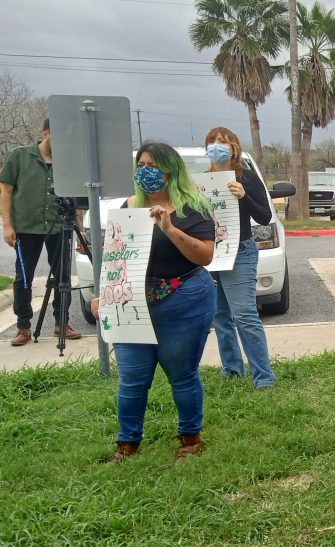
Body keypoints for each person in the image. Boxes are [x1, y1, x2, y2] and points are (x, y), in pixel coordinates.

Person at [95, 142, 217, 463]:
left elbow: (204, 255)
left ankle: (190, 439)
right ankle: (127, 444)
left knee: (182, 374)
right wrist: (105, 297)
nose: (146, 171)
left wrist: (169, 228)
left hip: (184, 300)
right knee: (132, 378)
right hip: (132, 304)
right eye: (142, 164)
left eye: (154, 165)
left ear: (170, 170)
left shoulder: (193, 207)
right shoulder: (126, 208)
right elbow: (115, 260)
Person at [203, 127, 276, 390]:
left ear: (234, 147)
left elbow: (264, 217)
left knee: (244, 314)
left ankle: (263, 376)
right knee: (220, 315)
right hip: (211, 254)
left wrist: (243, 196)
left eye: (222, 142)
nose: (217, 146)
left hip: (240, 252)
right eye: (212, 142)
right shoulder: (203, 181)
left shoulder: (247, 178)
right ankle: (232, 368)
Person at [0, 118, 81, 346]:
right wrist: (7, 225)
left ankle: (61, 323)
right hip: (26, 228)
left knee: (63, 276)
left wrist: (80, 231)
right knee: (23, 278)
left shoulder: (67, 162)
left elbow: (75, 199)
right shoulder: (20, 155)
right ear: (45, 133)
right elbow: (5, 190)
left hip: (58, 227)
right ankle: (23, 327)